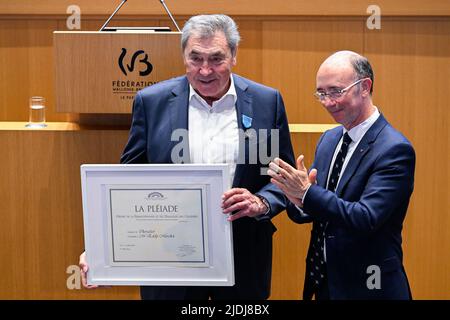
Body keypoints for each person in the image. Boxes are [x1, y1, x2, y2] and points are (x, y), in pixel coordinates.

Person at [79, 14, 294, 300]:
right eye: (196, 59)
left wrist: (261, 202)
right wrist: (100, 248)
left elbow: (282, 178)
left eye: (216, 59)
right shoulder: (151, 102)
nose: (205, 71)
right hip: (167, 260)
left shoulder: (266, 102)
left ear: (234, 55)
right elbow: (127, 185)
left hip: (243, 258)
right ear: (184, 56)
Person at [268, 51, 415, 300]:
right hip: (325, 282)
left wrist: (306, 193)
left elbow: (366, 218)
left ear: (365, 87)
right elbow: (318, 206)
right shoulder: (330, 139)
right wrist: (297, 198)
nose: (328, 102)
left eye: (336, 91)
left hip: (370, 285)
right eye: (321, 93)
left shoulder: (394, 149)